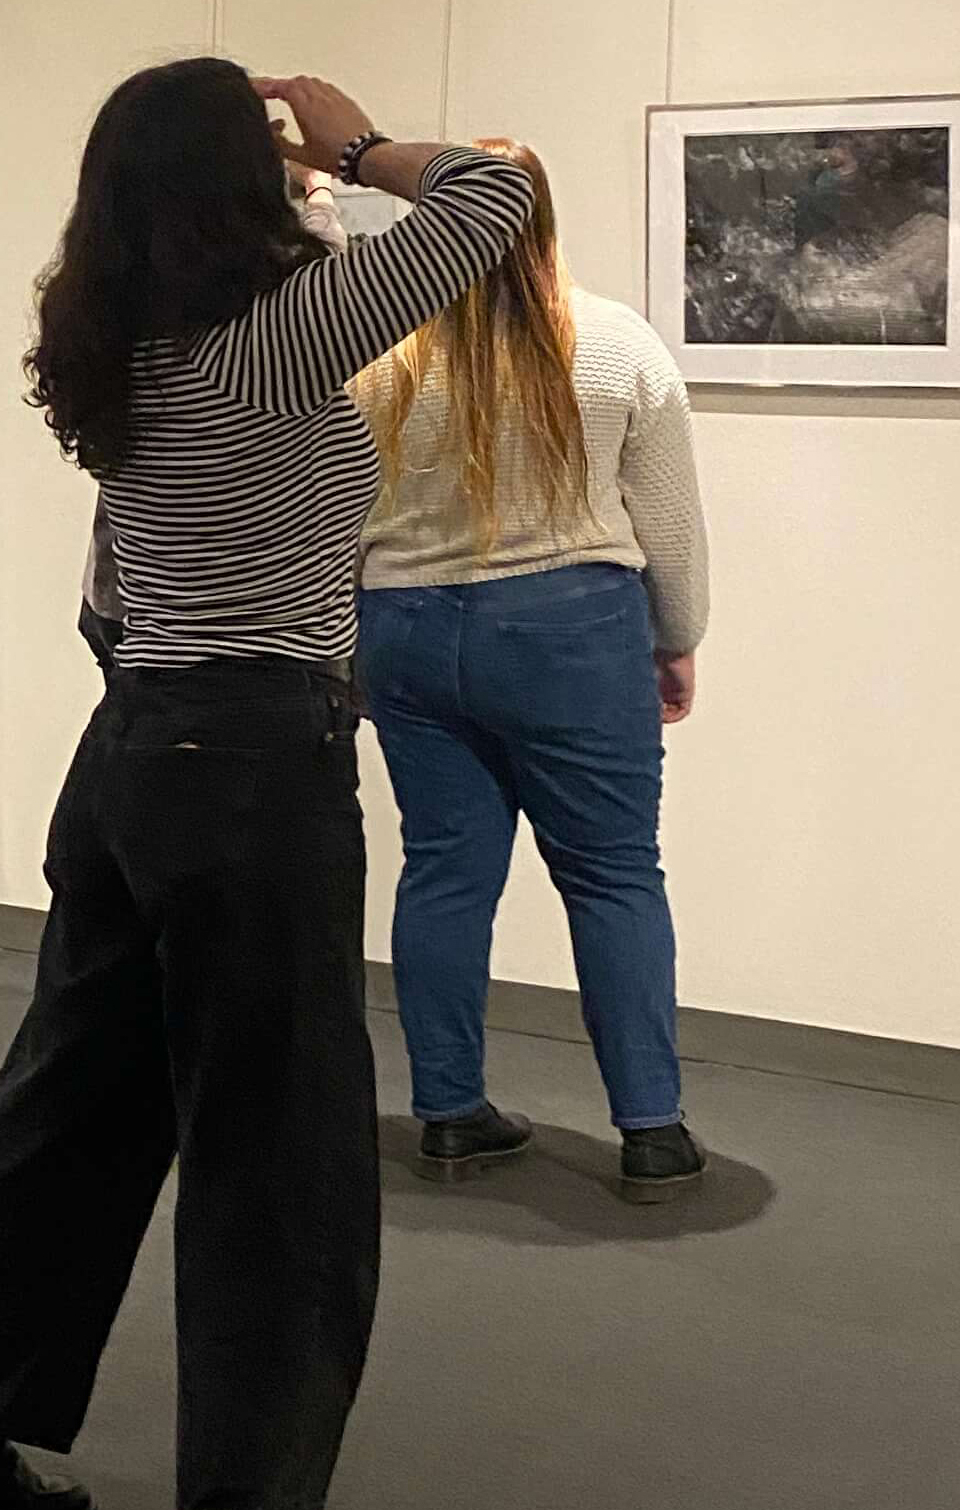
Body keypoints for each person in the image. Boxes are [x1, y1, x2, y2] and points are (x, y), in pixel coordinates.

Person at [0, 65, 534, 1510]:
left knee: (70, 1110)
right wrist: (357, 137)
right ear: (241, 182)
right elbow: (499, 194)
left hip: (129, 754)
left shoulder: (115, 345)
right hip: (251, 762)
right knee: (280, 1138)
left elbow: (105, 594)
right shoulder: (276, 337)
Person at [352, 141, 709, 1201]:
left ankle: (449, 1112)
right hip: (568, 629)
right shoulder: (611, 345)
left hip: (405, 628)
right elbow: (671, 525)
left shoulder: (382, 354)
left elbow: (340, 517)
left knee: (444, 873)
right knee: (610, 875)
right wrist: (675, 634)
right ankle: (649, 1127)